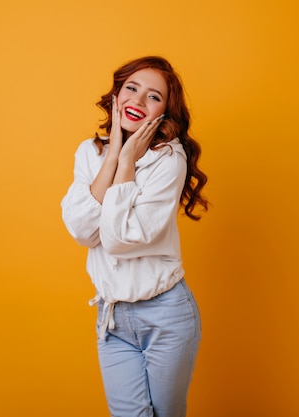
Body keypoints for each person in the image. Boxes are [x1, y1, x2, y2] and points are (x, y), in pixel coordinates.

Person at [60, 56, 208, 417]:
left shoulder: (169, 159)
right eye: (132, 88)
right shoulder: (89, 153)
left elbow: (118, 239)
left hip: (166, 315)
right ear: (116, 95)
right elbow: (82, 230)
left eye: (153, 96)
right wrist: (112, 155)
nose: (139, 101)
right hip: (113, 320)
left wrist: (127, 163)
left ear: (164, 112)